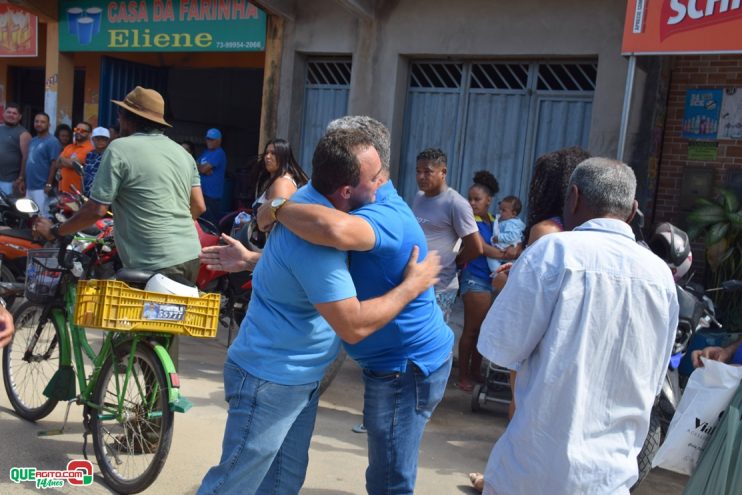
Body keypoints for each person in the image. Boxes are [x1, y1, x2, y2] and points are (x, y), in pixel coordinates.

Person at [197, 128, 441, 495]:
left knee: (281, 484)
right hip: (272, 378)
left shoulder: (306, 204)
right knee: (232, 486)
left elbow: (296, 272)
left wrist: (255, 256)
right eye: (375, 179)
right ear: (346, 190)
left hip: (297, 376)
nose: (382, 185)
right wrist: (413, 285)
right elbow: (353, 325)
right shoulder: (317, 238)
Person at [267, 116, 453, 494]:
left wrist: (277, 207)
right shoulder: (355, 199)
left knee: (388, 479)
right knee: (385, 470)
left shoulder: (383, 213)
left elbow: (333, 231)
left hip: (406, 367)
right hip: (389, 364)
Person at [475, 158, 678, 495]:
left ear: (573, 197)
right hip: (609, 478)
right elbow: (655, 379)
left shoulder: (552, 253)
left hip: (533, 470)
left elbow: (501, 349)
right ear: (632, 211)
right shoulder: (660, 276)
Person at [37, 86, 205, 279]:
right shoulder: (183, 154)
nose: (118, 120)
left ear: (129, 118)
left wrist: (56, 230)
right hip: (190, 255)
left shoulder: (120, 147)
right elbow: (199, 206)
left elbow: (95, 210)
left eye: (120, 114)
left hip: (153, 261)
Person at [412, 148, 482, 322]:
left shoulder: (456, 203)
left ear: (443, 172)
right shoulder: (419, 197)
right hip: (415, 282)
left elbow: (475, 247)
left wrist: (453, 261)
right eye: (418, 172)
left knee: (433, 339)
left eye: (427, 172)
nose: (421, 177)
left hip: (439, 287)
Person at [457, 170, 501, 392]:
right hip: (475, 279)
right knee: (472, 330)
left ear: (489, 200)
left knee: (482, 331)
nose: (472, 203)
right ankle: (463, 375)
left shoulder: (495, 221)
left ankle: (475, 372)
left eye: (477, 199)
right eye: (470, 199)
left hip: (491, 281)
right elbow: (481, 248)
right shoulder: (469, 221)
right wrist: (505, 255)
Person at [25, 112, 62, 216]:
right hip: (30, 186)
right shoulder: (33, 140)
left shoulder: (52, 141)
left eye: (42, 122)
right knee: (30, 217)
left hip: (42, 188)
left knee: (42, 218)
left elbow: (54, 163)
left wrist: (49, 184)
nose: (39, 124)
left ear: (49, 125)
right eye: (37, 121)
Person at [46, 121, 94, 195]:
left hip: (77, 193)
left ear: (89, 134)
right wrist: (67, 161)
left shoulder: (89, 148)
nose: (78, 132)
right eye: (77, 129)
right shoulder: (69, 147)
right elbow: (57, 164)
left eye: (82, 131)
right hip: (63, 191)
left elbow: (73, 164)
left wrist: (63, 159)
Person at [486, 196, 525, 275]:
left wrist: (498, 238)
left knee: (490, 257)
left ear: (513, 213)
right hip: (507, 248)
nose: (500, 212)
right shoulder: (507, 220)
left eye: (503, 210)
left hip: (506, 246)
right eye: (500, 209)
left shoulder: (511, 223)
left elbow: (512, 236)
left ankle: (497, 273)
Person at [197, 128, 228, 224]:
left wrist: (202, 169)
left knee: (211, 223)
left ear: (219, 141)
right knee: (201, 221)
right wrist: (203, 169)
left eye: (212, 139)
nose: (209, 142)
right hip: (202, 193)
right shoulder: (205, 152)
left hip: (212, 195)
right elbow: (193, 165)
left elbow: (202, 169)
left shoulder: (219, 153)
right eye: (208, 139)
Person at [0, 103, 31, 196]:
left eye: (14, 113)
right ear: (3, 114)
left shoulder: (24, 134)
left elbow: (26, 158)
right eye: (8, 112)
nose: (11, 115)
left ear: (19, 117)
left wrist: (21, 178)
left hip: (10, 181)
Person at [83, 127, 111, 196]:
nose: (100, 141)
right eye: (97, 138)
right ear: (92, 139)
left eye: (104, 139)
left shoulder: (110, 155)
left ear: (108, 140)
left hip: (101, 195)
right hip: (86, 192)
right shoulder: (89, 154)